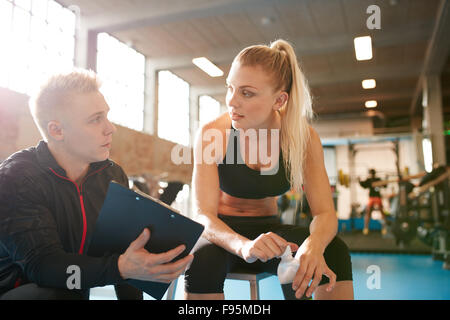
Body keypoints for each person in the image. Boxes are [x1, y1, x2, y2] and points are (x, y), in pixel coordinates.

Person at [0, 69, 193, 299]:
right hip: (18, 291)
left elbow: (126, 253)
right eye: (95, 119)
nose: (110, 128)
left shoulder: (110, 175)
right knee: (59, 294)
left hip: (71, 288)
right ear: (57, 130)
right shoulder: (17, 178)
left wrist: (133, 266)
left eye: (106, 116)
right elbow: (44, 268)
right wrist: (122, 267)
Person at [184, 40, 354, 300]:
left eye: (247, 93)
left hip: (271, 232)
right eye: (230, 88)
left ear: (279, 99)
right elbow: (204, 216)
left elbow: (325, 213)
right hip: (222, 235)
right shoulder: (212, 134)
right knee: (202, 260)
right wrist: (244, 246)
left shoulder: (301, 138)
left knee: (334, 250)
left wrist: (313, 246)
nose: (232, 101)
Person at [358, 169, 388, 236]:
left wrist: (386, 178)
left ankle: (384, 228)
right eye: (371, 174)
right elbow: (363, 185)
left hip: (377, 198)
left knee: (381, 212)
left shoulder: (378, 179)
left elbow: (385, 185)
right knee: (368, 211)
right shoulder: (369, 180)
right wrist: (359, 180)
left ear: (374, 174)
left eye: (372, 173)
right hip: (371, 198)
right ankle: (366, 228)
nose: (371, 175)